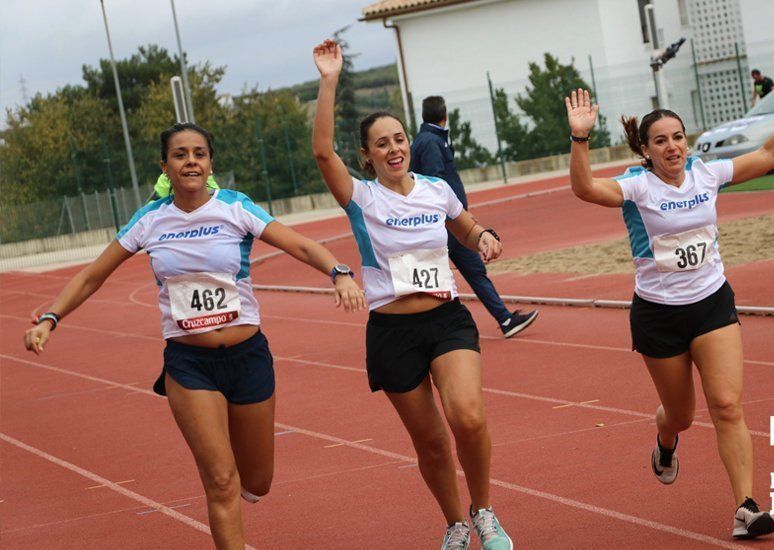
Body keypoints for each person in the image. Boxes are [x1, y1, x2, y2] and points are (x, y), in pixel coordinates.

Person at [23, 122, 366, 549]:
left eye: (199, 153)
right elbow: (94, 275)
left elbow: (299, 245)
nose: (191, 161)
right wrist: (50, 317)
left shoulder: (235, 207)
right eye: (181, 154)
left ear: (210, 162)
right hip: (190, 366)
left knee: (257, 481)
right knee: (221, 480)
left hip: (248, 357)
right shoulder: (150, 220)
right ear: (165, 165)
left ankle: (239, 501)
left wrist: (338, 271)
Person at [564, 61, 774, 539]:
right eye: (660, 140)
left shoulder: (707, 174)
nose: (672, 146)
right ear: (646, 149)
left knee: (726, 405)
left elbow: (767, 154)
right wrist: (581, 139)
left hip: (712, 302)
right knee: (681, 413)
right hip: (658, 315)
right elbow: (584, 188)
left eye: (677, 137)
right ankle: (665, 439)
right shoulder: (637, 186)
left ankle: (745, 506)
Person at [312, 40, 512, 550]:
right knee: (430, 443)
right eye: (381, 143)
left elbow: (464, 228)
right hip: (392, 330)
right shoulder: (362, 196)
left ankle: (484, 511)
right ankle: (454, 523)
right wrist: (329, 81)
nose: (394, 148)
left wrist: (483, 235)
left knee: (467, 415)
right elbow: (321, 152)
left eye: (399, 138)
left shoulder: (436, 189)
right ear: (367, 155)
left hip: (446, 319)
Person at [411, 96, 539, 338]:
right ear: (444, 114)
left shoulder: (433, 139)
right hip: (445, 224)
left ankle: (505, 319)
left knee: (475, 271)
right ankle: (421, 325)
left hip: (454, 223)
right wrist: (456, 215)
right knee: (431, 273)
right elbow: (435, 183)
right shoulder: (429, 142)